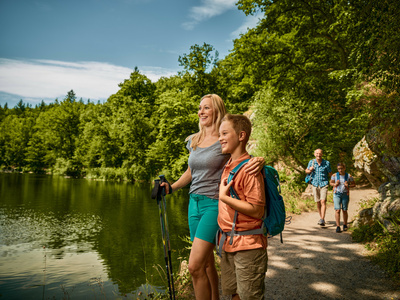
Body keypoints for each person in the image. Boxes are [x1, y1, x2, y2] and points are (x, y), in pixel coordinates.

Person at [161, 94, 264, 300]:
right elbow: (191, 171)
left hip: (214, 204)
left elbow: (241, 155)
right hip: (194, 203)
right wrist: (171, 188)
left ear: (216, 110)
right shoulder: (194, 140)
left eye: (206, 108)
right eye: (200, 108)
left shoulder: (223, 137)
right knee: (207, 263)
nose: (201, 112)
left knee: (194, 265)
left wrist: (260, 160)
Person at [217, 113, 268, 300]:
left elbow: (257, 210)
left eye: (224, 133)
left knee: (249, 297)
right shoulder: (228, 164)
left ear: (241, 136)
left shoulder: (250, 169)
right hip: (229, 244)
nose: (220, 138)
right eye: (219, 134)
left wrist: (224, 198)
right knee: (235, 295)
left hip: (248, 246)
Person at [305, 149, 332, 226]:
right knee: (318, 202)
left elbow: (330, 173)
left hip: (324, 184)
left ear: (322, 154)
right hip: (314, 184)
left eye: (320, 153)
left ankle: (322, 219)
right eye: (317, 153)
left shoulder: (326, 163)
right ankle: (321, 218)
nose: (318, 155)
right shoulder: (311, 162)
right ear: (314, 154)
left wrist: (333, 183)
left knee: (323, 201)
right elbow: (306, 171)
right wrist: (309, 170)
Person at [330, 163, 356, 233]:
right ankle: (338, 226)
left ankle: (345, 224)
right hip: (337, 194)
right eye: (339, 169)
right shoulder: (334, 175)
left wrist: (348, 185)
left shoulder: (349, 176)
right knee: (337, 210)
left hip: (345, 194)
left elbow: (354, 184)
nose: (340, 170)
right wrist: (335, 184)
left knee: (344, 210)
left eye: (341, 168)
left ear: (344, 168)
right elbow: (331, 183)